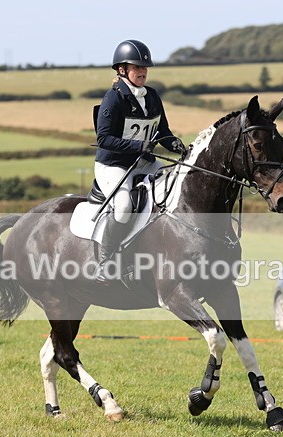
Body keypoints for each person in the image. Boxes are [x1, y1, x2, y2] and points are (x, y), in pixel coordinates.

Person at [94, 39, 187, 275]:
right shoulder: (113, 99)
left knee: (173, 192)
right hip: (113, 165)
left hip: (144, 163)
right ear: (122, 70)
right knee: (124, 207)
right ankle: (106, 260)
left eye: (144, 68)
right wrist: (138, 145)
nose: (142, 72)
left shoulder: (153, 96)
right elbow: (103, 139)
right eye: (137, 68)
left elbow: (162, 132)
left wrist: (174, 143)